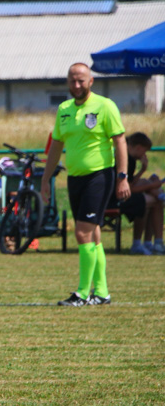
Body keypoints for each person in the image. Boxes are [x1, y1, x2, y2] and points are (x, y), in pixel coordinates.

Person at [40, 63, 130, 306]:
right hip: (75, 178)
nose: (77, 85)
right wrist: (46, 179)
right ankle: (101, 292)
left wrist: (123, 176)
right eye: (72, 81)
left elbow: (120, 141)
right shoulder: (64, 109)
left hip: (99, 177)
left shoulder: (105, 106)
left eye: (81, 80)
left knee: (81, 233)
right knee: (94, 234)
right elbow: (57, 145)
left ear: (91, 81)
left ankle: (81, 294)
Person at [110, 132, 164, 255]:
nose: (144, 155)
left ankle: (149, 243)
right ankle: (143, 243)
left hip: (118, 196)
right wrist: (151, 186)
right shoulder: (127, 159)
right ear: (138, 147)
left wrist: (142, 171)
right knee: (148, 201)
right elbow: (128, 189)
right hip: (114, 200)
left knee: (147, 189)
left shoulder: (129, 158)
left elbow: (129, 183)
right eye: (144, 152)